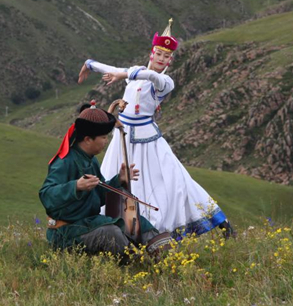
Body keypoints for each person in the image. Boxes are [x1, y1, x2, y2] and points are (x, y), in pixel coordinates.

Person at [78, 19, 233, 238]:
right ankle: (121, 228)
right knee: (115, 179)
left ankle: (219, 220)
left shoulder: (165, 81)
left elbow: (149, 75)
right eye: (158, 54)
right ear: (152, 54)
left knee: (178, 181)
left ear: (170, 60)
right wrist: (89, 64)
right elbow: (116, 70)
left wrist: (123, 74)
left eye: (166, 56)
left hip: (149, 141)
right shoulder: (136, 74)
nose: (161, 59)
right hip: (123, 138)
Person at [40, 102, 169, 258]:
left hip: (89, 223)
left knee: (131, 218)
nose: (106, 141)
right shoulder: (64, 162)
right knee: (111, 233)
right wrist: (76, 186)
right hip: (66, 232)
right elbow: (46, 195)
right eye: (103, 137)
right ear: (88, 139)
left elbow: (99, 195)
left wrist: (119, 179)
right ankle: (138, 264)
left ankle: (165, 255)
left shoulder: (91, 160)